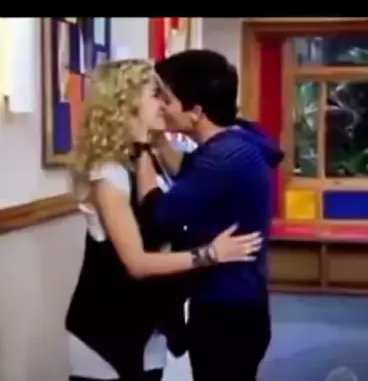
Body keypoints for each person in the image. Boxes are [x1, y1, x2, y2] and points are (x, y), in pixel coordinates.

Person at [65, 59, 264, 381]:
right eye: (155, 95)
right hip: (106, 328)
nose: (164, 104)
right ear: (128, 104)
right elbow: (137, 263)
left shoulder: (147, 160)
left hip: (149, 329)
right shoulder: (108, 172)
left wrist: (151, 142)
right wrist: (211, 254)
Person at [135, 50, 284, 381]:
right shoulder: (236, 141)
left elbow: (158, 215)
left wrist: (141, 145)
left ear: (197, 111)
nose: (160, 105)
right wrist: (159, 141)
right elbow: (191, 174)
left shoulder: (222, 158)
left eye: (167, 98)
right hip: (244, 304)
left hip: (225, 312)